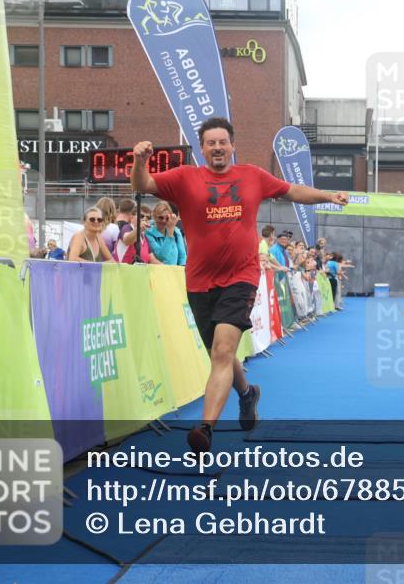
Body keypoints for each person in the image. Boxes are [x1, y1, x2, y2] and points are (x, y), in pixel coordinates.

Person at [130, 116, 348, 452]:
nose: (217, 148)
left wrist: (328, 195)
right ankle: (247, 393)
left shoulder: (252, 176)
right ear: (202, 148)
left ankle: (205, 429)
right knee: (220, 353)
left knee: (222, 351)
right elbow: (143, 184)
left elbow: (292, 190)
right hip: (200, 281)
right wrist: (140, 161)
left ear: (232, 146)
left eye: (223, 142)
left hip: (241, 277)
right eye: (211, 143)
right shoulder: (185, 178)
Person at [146, 201, 187, 266]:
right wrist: (169, 234)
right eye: (161, 217)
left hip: (175, 271)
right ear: (154, 217)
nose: (164, 221)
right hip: (157, 271)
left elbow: (182, 257)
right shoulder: (149, 233)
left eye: (167, 218)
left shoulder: (176, 231)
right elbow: (161, 256)